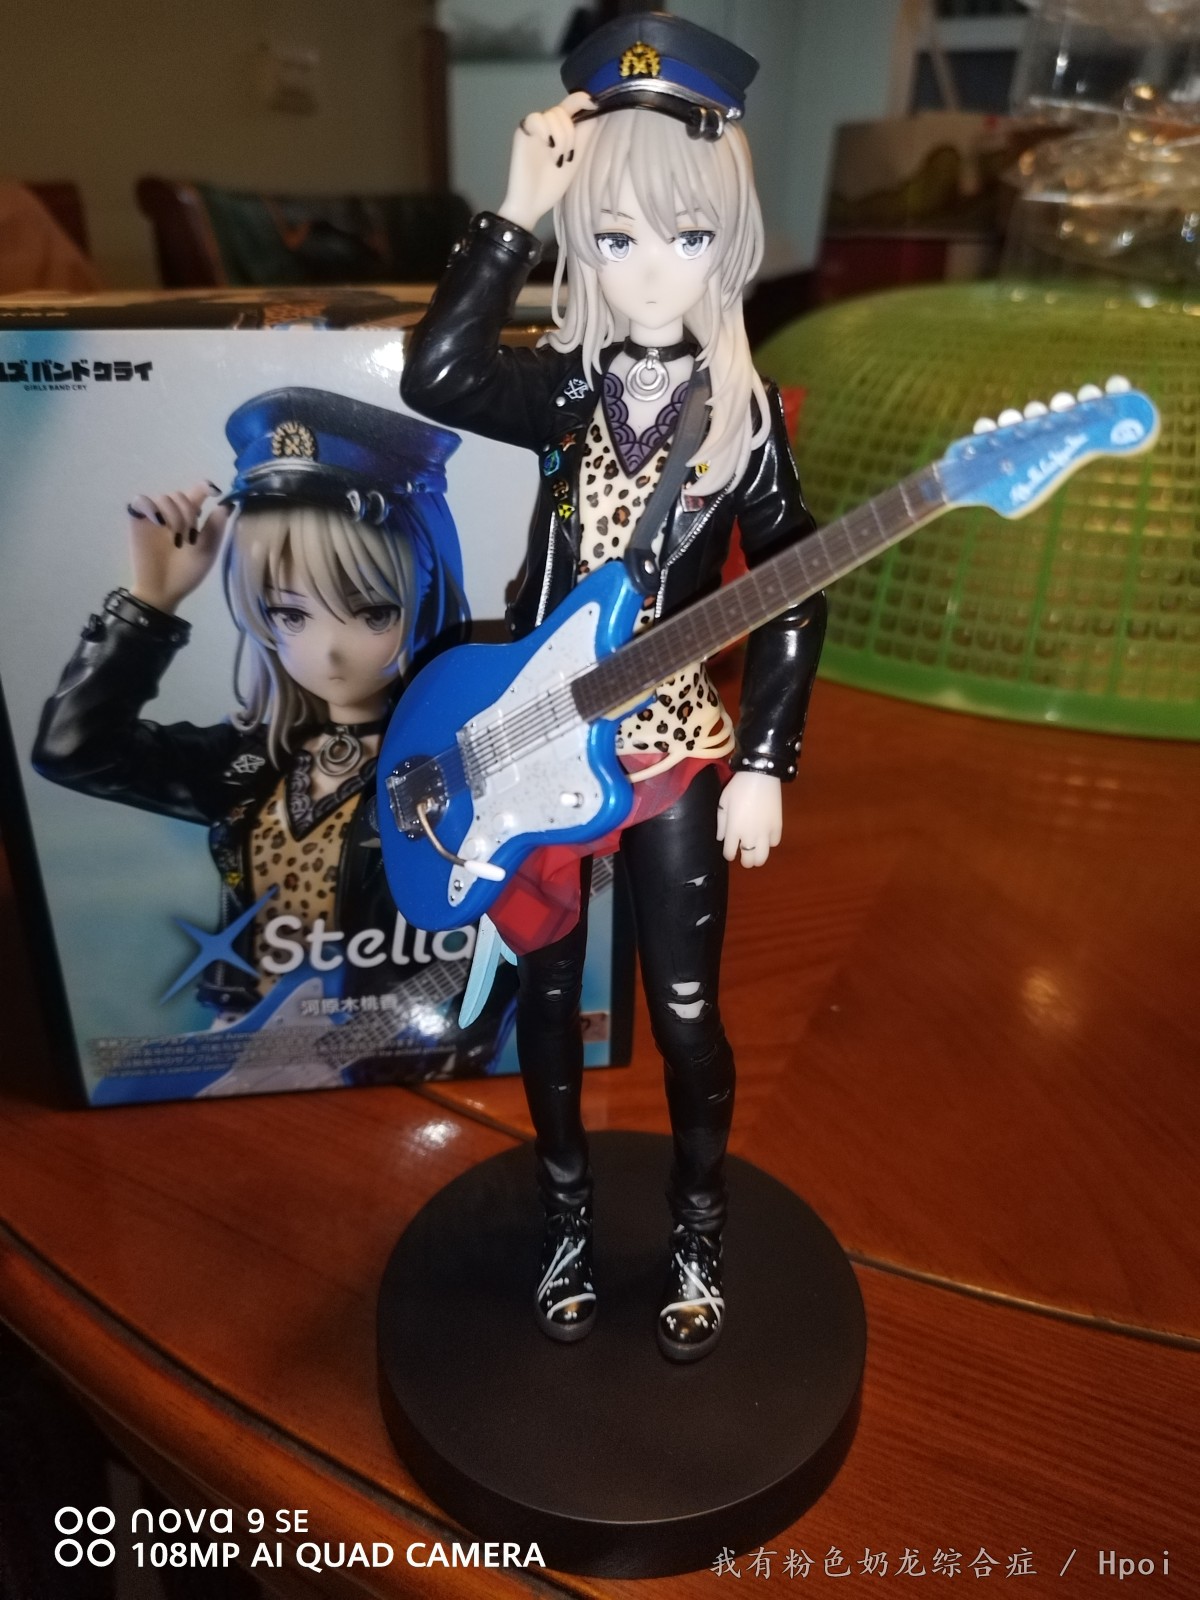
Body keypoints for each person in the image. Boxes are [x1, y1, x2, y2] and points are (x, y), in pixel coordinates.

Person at [400, 13, 826, 1360]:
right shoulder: (567, 389)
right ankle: (567, 1220)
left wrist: (767, 759)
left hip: (674, 743)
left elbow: (794, 586)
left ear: (728, 244)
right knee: (547, 997)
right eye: (615, 236)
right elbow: (438, 371)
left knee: (687, 1007)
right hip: (532, 746)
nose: (650, 269)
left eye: (686, 236)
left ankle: (698, 1227)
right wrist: (516, 212)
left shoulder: (742, 422)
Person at [33, 388, 510, 1086]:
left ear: (425, 596)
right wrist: (151, 603)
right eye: (289, 615)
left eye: (372, 612)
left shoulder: (458, 765)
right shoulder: (251, 762)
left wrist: (446, 1053)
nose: (328, 651)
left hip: (380, 1063)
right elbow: (74, 751)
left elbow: (500, 941)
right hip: (234, 1057)